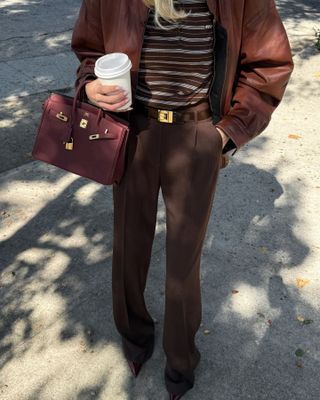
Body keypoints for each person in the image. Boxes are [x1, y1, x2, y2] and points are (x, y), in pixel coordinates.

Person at [71, 0, 294, 398]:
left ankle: (181, 359)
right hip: (131, 132)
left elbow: (268, 66)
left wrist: (226, 133)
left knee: (184, 260)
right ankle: (135, 337)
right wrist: (90, 85)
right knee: (129, 245)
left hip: (197, 136)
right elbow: (90, 49)